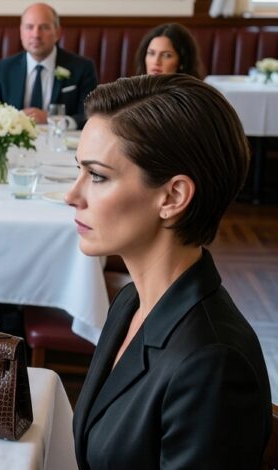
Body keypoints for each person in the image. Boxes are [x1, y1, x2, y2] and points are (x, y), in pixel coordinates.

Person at [69, 74, 271, 468]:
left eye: (97, 175)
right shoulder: (130, 300)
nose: (72, 195)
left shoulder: (212, 365)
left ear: (173, 196)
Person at [0, 3, 97, 129]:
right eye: (29, 27)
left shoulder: (83, 68)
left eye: (44, 27)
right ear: (21, 32)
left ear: (57, 32)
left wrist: (53, 119)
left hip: (61, 143)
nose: (36, 35)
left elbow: (91, 115)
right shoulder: (3, 68)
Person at [135, 23, 202, 78]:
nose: (156, 61)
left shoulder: (191, 93)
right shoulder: (133, 91)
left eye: (166, 55)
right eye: (151, 53)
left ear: (182, 62)